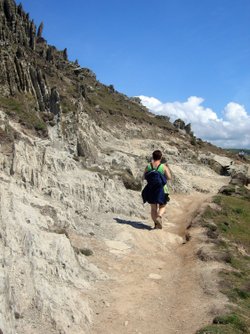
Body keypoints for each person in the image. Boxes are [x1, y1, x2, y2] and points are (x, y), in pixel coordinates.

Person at [142, 150, 171, 229]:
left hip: (151, 189)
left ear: (153, 157)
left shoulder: (148, 166)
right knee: (163, 205)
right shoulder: (163, 166)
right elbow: (169, 177)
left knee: (153, 209)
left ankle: (156, 225)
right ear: (161, 157)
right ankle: (159, 216)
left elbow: (144, 177)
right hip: (162, 189)